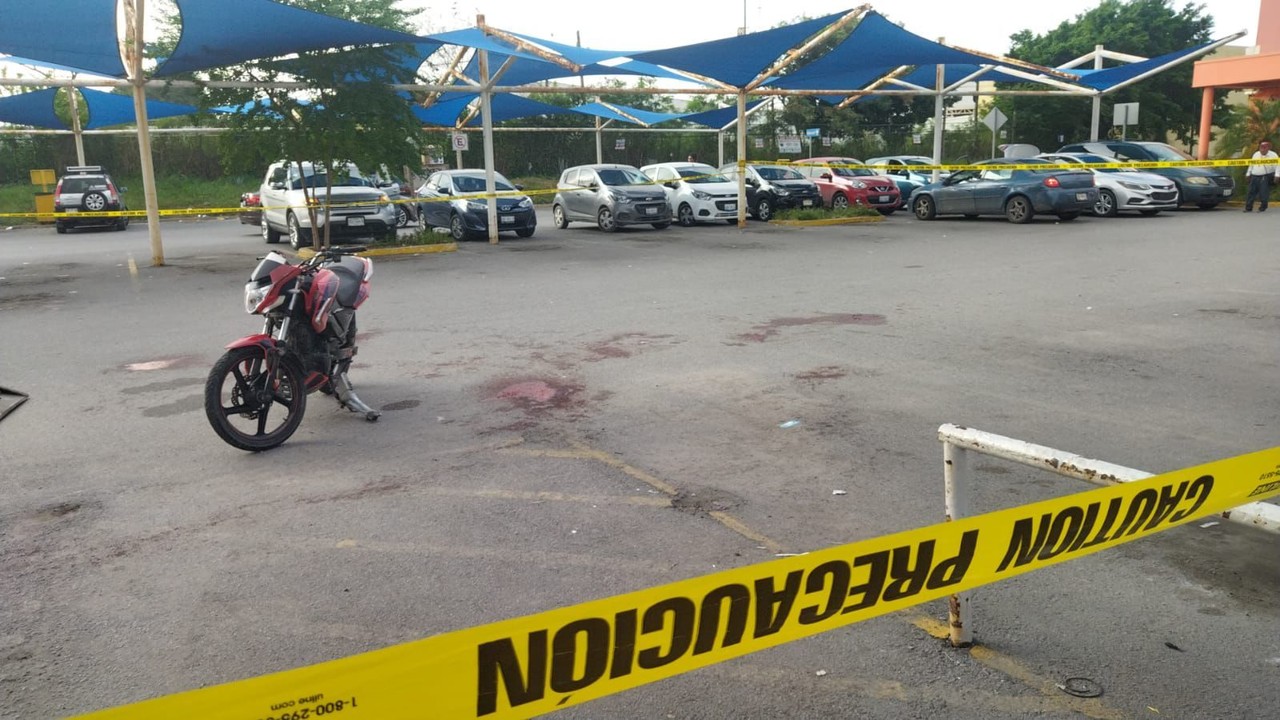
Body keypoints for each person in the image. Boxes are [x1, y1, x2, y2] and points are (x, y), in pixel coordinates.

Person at [1243, 139, 1279, 212]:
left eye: (1264, 148)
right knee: (1251, 192)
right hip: (1254, 176)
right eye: (1261, 148)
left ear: (1268, 148)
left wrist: (1277, 175)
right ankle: (1248, 208)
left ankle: (1263, 207)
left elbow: (1278, 166)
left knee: (1263, 192)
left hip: (1265, 176)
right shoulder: (1256, 154)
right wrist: (1248, 173)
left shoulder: (1273, 155)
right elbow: (1251, 165)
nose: (1262, 150)